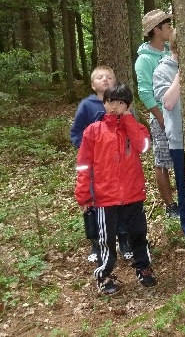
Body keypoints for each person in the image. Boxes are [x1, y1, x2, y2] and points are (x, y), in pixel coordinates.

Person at [75, 83, 156, 295]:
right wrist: (84, 196)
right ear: (104, 103)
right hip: (105, 197)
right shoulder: (93, 131)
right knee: (106, 239)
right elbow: (84, 165)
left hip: (133, 194)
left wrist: (128, 119)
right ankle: (104, 274)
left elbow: (143, 147)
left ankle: (143, 268)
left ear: (127, 106)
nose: (114, 107)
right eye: (110, 102)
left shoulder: (135, 128)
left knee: (138, 234)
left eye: (120, 103)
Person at [70, 66, 132, 263]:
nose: (105, 80)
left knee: (121, 203)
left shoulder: (123, 104)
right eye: (100, 77)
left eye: (109, 77)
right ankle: (97, 244)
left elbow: (132, 133)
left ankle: (124, 241)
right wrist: (89, 151)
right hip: (96, 169)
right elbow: (76, 133)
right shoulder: (87, 105)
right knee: (94, 205)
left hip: (120, 169)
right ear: (92, 84)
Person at [136, 9, 179, 219]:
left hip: (178, 115)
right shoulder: (144, 60)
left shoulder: (171, 51)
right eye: (167, 26)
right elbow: (145, 93)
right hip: (161, 117)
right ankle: (170, 205)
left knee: (180, 156)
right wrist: (161, 118)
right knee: (162, 161)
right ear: (156, 30)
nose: (171, 29)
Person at [153, 30, 185, 238]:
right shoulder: (162, 71)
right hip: (179, 140)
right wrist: (181, 73)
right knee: (184, 187)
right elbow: (168, 102)